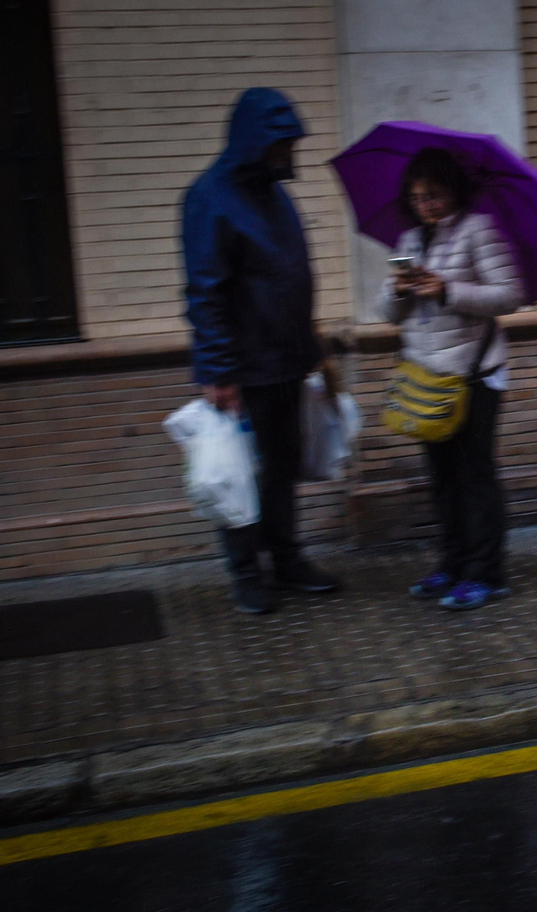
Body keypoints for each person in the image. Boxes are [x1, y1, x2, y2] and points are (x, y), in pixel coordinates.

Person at [184, 87, 340, 615]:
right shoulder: (211, 198)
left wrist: (311, 342)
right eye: (280, 145)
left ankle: (287, 559)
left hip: (288, 359)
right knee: (240, 474)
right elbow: (205, 292)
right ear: (254, 142)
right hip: (244, 369)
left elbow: (288, 273)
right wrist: (218, 371)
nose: (288, 155)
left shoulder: (275, 195)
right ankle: (247, 573)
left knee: (282, 467)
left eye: (290, 145)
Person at [380, 148, 525, 611]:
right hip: (428, 379)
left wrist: (447, 290)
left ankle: (486, 574)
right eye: (417, 197)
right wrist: (397, 291)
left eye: (435, 195)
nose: (426, 205)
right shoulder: (409, 241)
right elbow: (387, 314)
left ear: (454, 192)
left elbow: (510, 295)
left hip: (474, 376)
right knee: (442, 478)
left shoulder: (477, 230)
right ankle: (453, 563)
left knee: (474, 477)